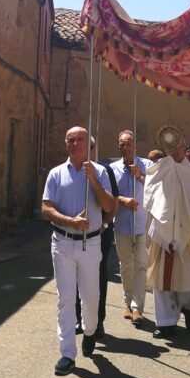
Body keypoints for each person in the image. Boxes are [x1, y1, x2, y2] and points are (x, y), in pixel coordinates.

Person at [42, 126, 115, 375]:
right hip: (62, 242)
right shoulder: (56, 173)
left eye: (80, 140)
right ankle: (67, 354)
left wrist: (93, 180)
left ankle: (90, 330)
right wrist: (70, 221)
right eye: (70, 140)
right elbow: (46, 208)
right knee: (65, 299)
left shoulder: (100, 171)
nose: (74, 144)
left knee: (91, 297)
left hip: (90, 243)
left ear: (88, 144)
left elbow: (109, 206)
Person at [143, 136, 190, 340]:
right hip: (162, 230)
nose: (174, 150)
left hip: (187, 230)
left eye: (178, 146)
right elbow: (150, 193)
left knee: (186, 276)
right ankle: (165, 322)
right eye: (170, 146)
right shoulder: (159, 169)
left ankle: (187, 308)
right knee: (161, 279)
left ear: (184, 147)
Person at [75, 137, 119, 338]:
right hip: (76, 233)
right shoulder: (70, 170)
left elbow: (113, 203)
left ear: (93, 149)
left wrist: (105, 224)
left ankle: (98, 321)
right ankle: (79, 319)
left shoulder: (104, 171)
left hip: (100, 233)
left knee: (97, 277)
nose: (82, 150)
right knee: (76, 276)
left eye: (87, 146)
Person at [111, 130, 149, 327]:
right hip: (122, 225)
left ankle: (137, 307)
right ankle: (127, 302)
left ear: (135, 145)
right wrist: (122, 200)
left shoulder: (146, 165)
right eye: (122, 143)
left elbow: (156, 188)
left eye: (128, 143)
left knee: (141, 265)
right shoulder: (113, 169)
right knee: (126, 265)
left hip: (142, 224)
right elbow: (108, 195)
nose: (125, 147)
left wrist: (140, 175)